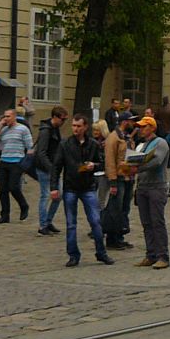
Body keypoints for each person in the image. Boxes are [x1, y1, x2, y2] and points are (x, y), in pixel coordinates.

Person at [49, 114, 114, 267]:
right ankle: (73, 255)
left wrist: (94, 166)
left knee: (96, 221)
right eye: (74, 126)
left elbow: (102, 163)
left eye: (79, 126)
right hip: (70, 187)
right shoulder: (65, 144)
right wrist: (53, 187)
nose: (76, 129)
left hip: (88, 187)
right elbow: (56, 167)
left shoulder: (92, 144)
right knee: (71, 223)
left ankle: (101, 253)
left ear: (85, 127)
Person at [129, 115, 170, 269]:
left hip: (156, 187)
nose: (140, 129)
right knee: (146, 223)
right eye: (139, 127)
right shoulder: (142, 145)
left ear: (152, 128)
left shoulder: (160, 143)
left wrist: (137, 168)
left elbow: (156, 161)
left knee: (157, 222)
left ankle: (163, 256)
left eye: (143, 126)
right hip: (143, 187)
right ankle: (150, 254)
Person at [0, 109, 32, 224]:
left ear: (14, 117)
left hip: (17, 161)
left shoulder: (23, 129)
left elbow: (30, 146)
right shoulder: (3, 129)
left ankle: (23, 205)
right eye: (4, 116)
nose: (6, 118)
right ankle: (5, 215)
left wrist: (26, 162)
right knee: (3, 190)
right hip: (4, 160)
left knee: (13, 187)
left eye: (8, 116)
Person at [103, 114, 135, 250]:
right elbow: (109, 161)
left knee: (124, 209)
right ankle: (112, 239)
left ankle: (120, 236)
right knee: (115, 209)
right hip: (118, 178)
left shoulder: (125, 136)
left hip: (128, 178)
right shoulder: (113, 137)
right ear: (125, 122)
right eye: (131, 120)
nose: (133, 123)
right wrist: (113, 182)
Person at [35, 106, 68, 235]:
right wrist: (51, 168)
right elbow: (41, 153)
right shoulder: (46, 131)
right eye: (62, 119)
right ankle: (43, 225)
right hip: (44, 168)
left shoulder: (55, 129)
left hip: (52, 168)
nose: (63, 122)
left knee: (58, 196)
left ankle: (48, 221)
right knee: (46, 195)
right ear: (55, 117)